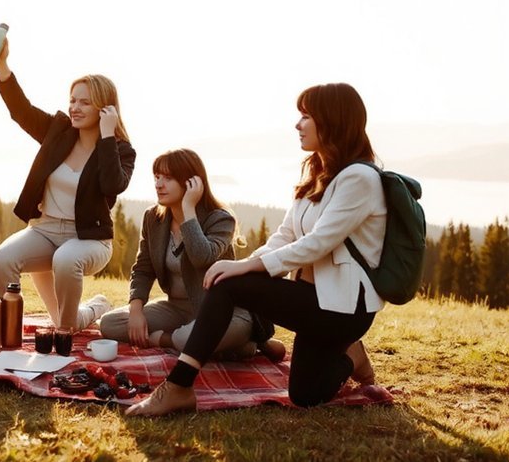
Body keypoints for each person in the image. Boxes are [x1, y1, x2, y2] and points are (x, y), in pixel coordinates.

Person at [126, 83, 386, 416]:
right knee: (305, 395)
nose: (297, 124)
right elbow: (286, 234)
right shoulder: (317, 175)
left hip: (343, 308)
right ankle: (351, 357)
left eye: (306, 116)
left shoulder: (360, 179)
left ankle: (177, 386)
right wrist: (243, 263)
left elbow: (318, 242)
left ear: (332, 120)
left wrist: (245, 269)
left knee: (229, 285)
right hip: (310, 298)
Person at [0, 36, 135, 331]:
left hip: (89, 239)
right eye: (72, 100)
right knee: (2, 259)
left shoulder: (121, 150)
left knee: (66, 262)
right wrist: (2, 64)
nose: (75, 108)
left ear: (105, 109)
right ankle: (10, 331)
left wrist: (106, 136)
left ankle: (65, 336)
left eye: (84, 102)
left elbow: (111, 185)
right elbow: (21, 111)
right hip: (44, 230)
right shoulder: (58, 131)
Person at [99, 149, 284, 360]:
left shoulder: (220, 220)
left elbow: (201, 257)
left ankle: (173, 340)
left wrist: (188, 209)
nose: (159, 184)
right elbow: (143, 268)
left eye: (168, 178)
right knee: (110, 323)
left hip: (223, 310)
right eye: (157, 177)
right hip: (177, 309)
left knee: (191, 339)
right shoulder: (153, 219)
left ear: (190, 183)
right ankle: (234, 347)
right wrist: (136, 310)